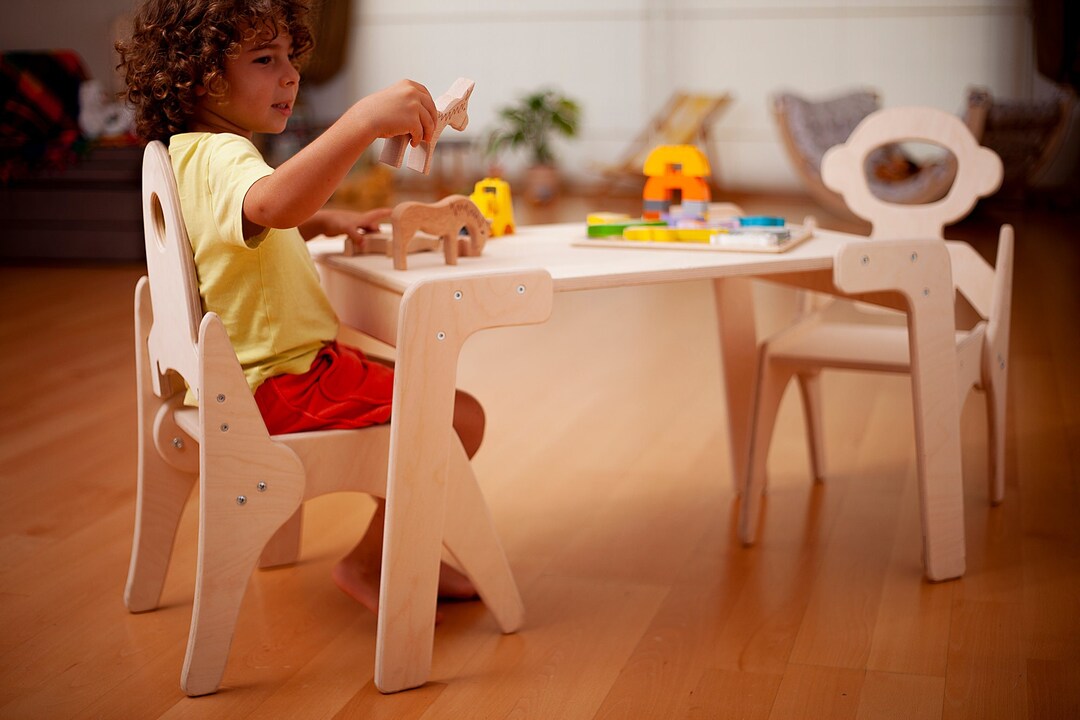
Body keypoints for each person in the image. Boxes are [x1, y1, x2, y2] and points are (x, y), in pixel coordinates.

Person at [117, 0, 482, 614]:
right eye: (265, 59)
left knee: (422, 398)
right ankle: (375, 559)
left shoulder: (185, 155)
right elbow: (273, 205)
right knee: (457, 416)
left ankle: (391, 549)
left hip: (242, 383)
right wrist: (361, 122)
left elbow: (238, 234)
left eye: (291, 57)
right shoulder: (227, 156)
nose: (289, 75)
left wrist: (329, 221)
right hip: (282, 386)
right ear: (203, 76)